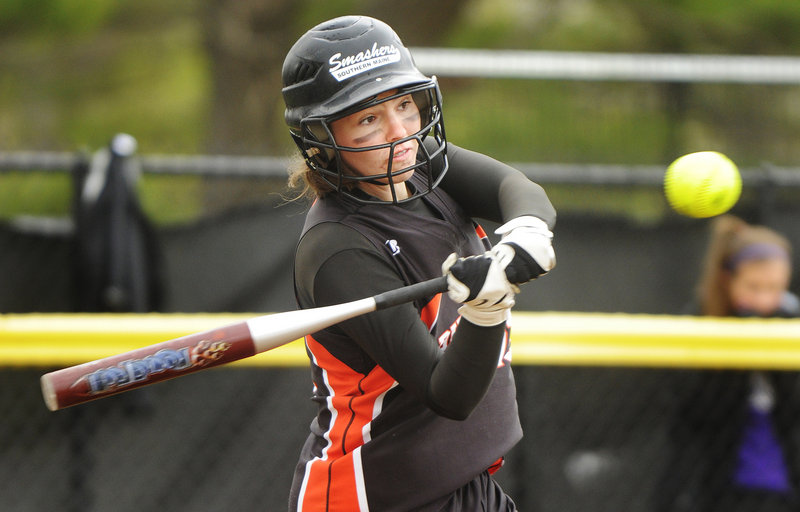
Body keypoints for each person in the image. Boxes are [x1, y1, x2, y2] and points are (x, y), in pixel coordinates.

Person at [280, 15, 556, 512]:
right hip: (375, 495)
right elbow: (446, 394)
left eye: (404, 105)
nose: (399, 131)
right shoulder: (337, 248)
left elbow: (515, 190)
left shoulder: (423, 163)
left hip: (461, 486)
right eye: (368, 119)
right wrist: (485, 312)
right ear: (320, 138)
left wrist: (527, 230)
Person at [656, 214, 800, 512]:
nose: (764, 300)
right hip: (716, 477)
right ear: (727, 279)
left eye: (775, 288)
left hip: (781, 472)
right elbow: (695, 412)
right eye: (754, 287)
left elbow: (791, 406)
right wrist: (741, 349)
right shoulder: (699, 322)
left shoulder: (788, 320)